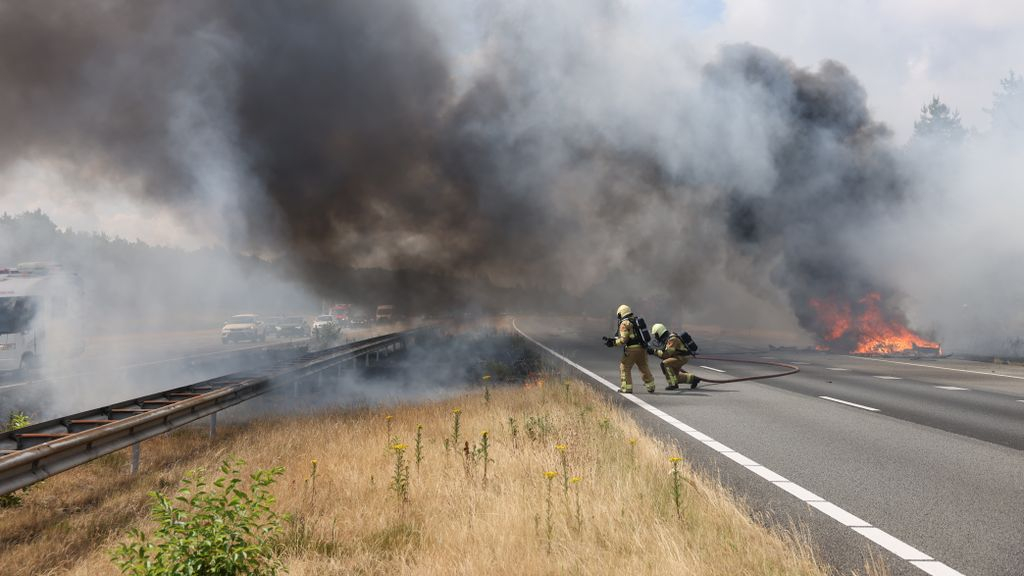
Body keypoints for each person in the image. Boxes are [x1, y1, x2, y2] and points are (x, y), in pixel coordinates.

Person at [603, 304, 655, 394]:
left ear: (621, 313)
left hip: (631, 350)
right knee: (643, 367)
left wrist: (613, 343)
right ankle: (651, 387)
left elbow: (623, 340)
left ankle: (626, 388)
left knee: (624, 367)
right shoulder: (636, 320)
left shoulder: (624, 323)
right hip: (642, 349)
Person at [649, 323, 701, 390]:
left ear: (659, 332)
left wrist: (654, 351)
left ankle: (673, 385)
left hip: (681, 358)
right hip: (677, 357)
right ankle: (693, 379)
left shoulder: (672, 339)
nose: (656, 337)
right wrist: (653, 351)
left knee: (665, 364)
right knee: (675, 377)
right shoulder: (668, 338)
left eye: (656, 335)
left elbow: (666, 355)